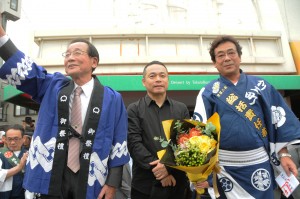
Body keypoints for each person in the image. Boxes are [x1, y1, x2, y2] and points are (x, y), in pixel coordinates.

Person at [0, 17, 129, 199]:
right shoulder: (52, 85)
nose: (70, 58)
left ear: (94, 62)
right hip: (52, 170)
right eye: (67, 54)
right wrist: (2, 37)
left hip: (91, 173)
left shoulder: (112, 98)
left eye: (77, 53)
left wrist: (112, 183)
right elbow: (26, 70)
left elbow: (119, 142)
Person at [193, 35, 300, 198]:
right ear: (215, 63)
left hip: (259, 163)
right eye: (220, 55)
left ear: (240, 57)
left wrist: (283, 154)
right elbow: (199, 134)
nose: (227, 58)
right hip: (224, 168)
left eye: (231, 53)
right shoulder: (208, 92)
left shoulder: (261, 86)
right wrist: (202, 173)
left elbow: (277, 122)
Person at [127, 61, 191, 199]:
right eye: (152, 76)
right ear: (144, 81)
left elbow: (186, 144)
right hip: (145, 185)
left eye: (162, 75)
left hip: (177, 182)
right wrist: (160, 172)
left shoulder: (181, 109)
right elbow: (134, 144)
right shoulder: (134, 109)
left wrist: (167, 168)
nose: (158, 79)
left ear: (168, 80)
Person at [0, 124, 28, 199]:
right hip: (5, 194)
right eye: (9, 139)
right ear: (4, 139)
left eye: (16, 139)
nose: (12, 142)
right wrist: (19, 167)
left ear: (23, 138)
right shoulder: (1, 154)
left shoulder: (30, 155)